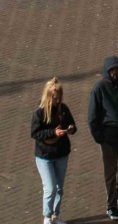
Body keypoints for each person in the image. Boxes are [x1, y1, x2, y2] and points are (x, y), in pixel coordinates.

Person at [86, 56, 118, 221]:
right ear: (107, 71)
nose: (115, 73)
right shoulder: (99, 88)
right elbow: (92, 117)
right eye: (112, 70)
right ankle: (111, 205)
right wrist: (99, 137)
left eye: (117, 70)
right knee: (110, 171)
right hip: (107, 138)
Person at [30, 77, 76, 224]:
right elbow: (35, 133)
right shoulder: (40, 112)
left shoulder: (64, 109)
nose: (58, 100)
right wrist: (53, 133)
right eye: (55, 97)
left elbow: (73, 125)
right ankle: (47, 217)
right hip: (44, 156)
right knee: (50, 188)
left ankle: (56, 215)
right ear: (48, 96)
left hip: (61, 153)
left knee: (59, 188)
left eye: (59, 97)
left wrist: (70, 129)